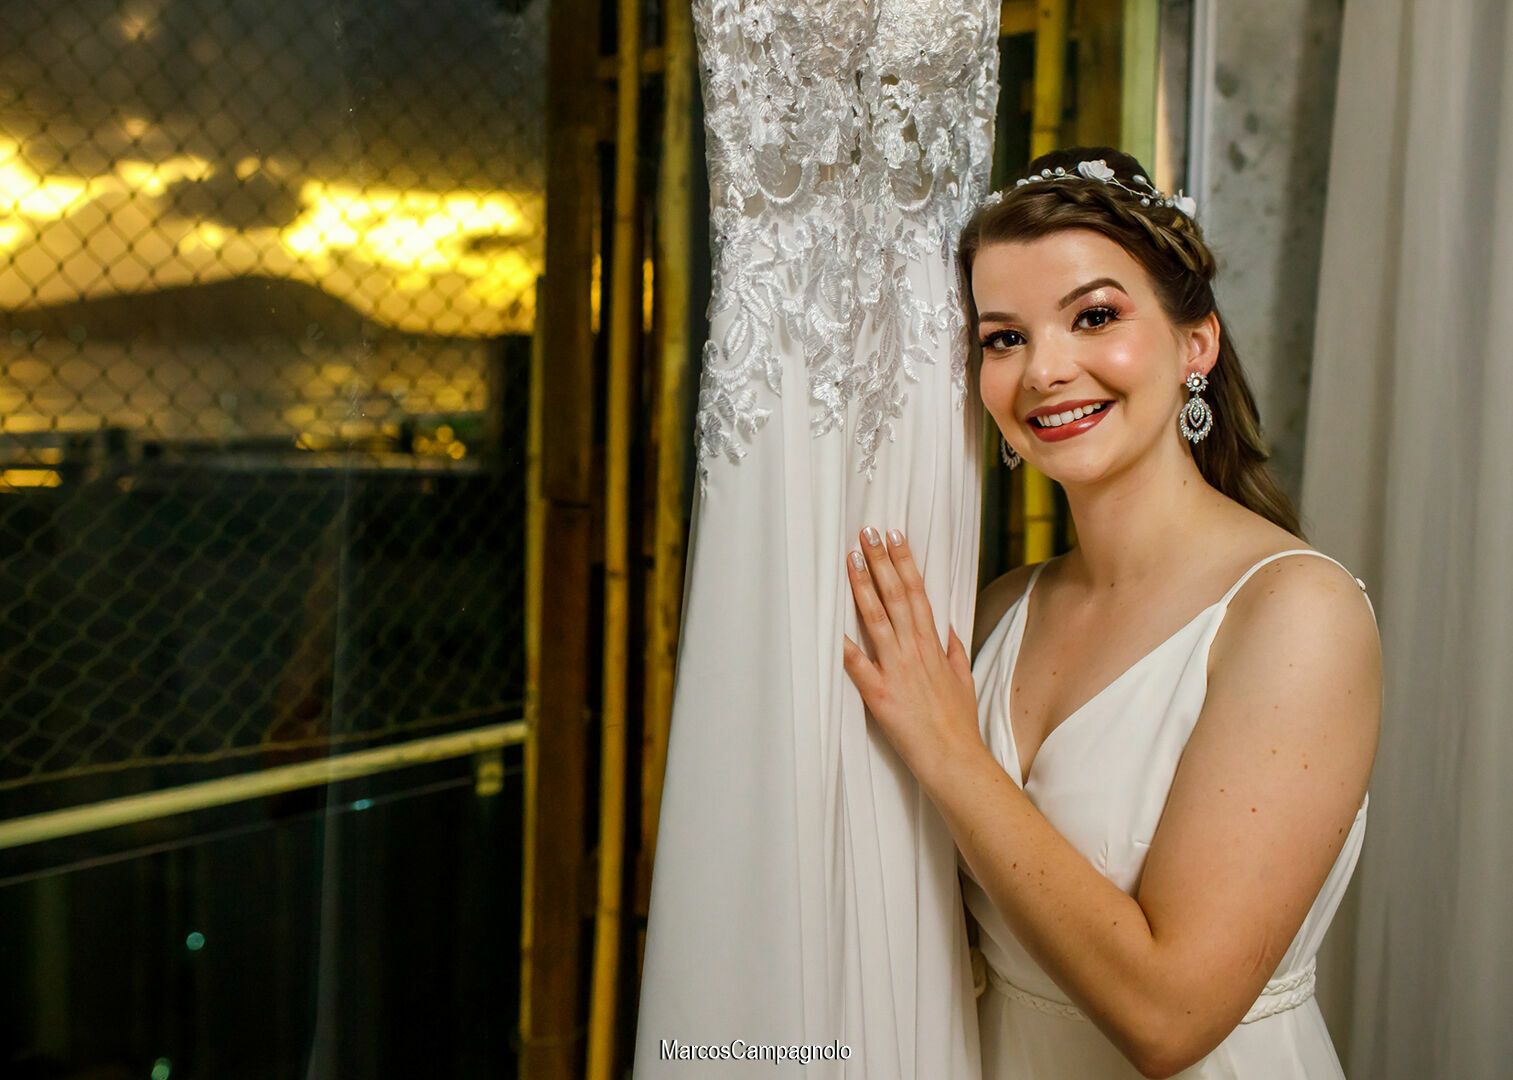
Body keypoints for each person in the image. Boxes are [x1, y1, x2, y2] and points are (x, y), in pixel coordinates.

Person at [841, 146, 1381, 1078]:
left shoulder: (1296, 614)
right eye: (1004, 338)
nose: (1045, 370)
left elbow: (1169, 1018)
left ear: (1194, 345)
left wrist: (949, 753)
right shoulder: (1001, 610)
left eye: (1094, 316)